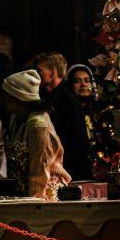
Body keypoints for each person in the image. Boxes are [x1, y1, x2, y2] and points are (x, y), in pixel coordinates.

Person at [1, 70, 71, 199]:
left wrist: (33, 206)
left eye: (7, 95)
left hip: (44, 197)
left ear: (18, 97)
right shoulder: (15, 119)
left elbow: (40, 172)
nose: (3, 99)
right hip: (23, 196)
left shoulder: (38, 125)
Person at [34, 52, 91, 181]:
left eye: (39, 70)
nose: (36, 75)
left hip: (68, 172)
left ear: (53, 71)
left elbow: (76, 143)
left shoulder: (68, 102)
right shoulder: (50, 98)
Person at [67, 63, 120, 176]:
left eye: (87, 81)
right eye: (77, 81)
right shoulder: (66, 113)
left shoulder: (100, 110)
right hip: (75, 170)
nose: (83, 85)